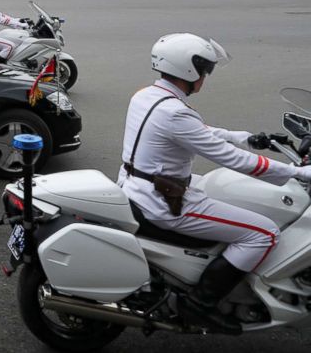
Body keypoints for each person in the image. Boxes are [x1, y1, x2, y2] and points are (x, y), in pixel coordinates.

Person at [117, 33, 311, 332]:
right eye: (205, 70)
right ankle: (199, 304)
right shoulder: (176, 112)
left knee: (219, 191)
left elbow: (200, 132)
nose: (206, 77)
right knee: (264, 233)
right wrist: (298, 173)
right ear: (190, 70)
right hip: (162, 202)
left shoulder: (148, 96)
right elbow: (235, 160)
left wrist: (249, 138)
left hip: (140, 186)